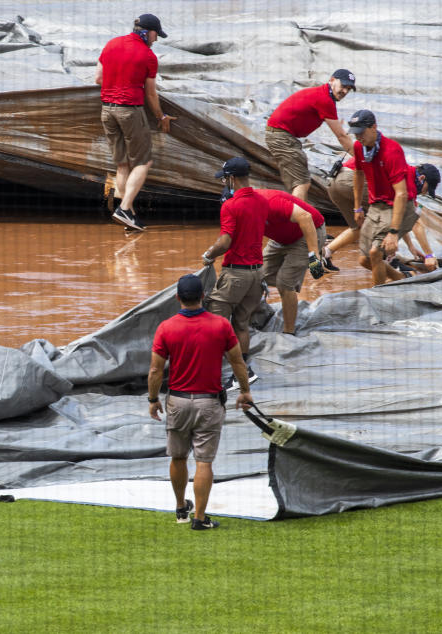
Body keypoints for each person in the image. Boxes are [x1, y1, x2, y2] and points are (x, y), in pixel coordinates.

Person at [148, 274, 254, 531]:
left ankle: (180, 508)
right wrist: (245, 391)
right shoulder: (221, 326)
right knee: (204, 462)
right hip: (209, 403)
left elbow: (155, 371)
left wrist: (153, 400)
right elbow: (238, 362)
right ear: (203, 297)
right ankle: (200, 518)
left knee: (178, 457)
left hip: (178, 402)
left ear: (177, 298)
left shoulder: (166, 327)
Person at [96, 13, 176, 232]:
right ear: (148, 32)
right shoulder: (148, 56)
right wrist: (161, 117)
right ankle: (124, 208)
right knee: (143, 162)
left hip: (107, 111)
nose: (156, 39)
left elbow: (98, 79)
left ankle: (129, 215)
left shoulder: (111, 44)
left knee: (122, 164)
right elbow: (151, 94)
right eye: (155, 35)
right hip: (129, 111)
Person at [201, 157, 267, 389]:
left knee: (213, 323)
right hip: (258, 274)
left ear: (231, 178)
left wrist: (209, 254)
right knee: (241, 324)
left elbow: (226, 241)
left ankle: (219, 374)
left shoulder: (230, 206)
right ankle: (243, 372)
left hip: (235, 275)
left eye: (225, 178)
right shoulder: (261, 201)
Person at [322, 160, 440, 273]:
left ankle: (325, 253)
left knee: (359, 227)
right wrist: (429, 255)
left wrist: (411, 247)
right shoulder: (407, 179)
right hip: (351, 179)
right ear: (422, 178)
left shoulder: (405, 171)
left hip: (334, 180)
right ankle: (390, 259)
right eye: (427, 189)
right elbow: (415, 224)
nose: (424, 193)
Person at [347, 110, 421, 285]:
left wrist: (394, 233)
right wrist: (357, 207)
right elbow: (358, 174)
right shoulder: (359, 147)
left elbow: (401, 194)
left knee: (375, 253)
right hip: (376, 206)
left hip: (398, 205)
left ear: (374, 127)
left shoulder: (392, 150)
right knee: (364, 260)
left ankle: (379, 297)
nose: (358, 137)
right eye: (355, 133)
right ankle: (403, 280)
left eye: (361, 132)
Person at [265, 69, 357, 202]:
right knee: (301, 183)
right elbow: (341, 136)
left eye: (348, 89)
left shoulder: (322, 94)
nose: (345, 91)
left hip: (284, 136)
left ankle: (296, 216)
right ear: (331, 80)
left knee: (300, 182)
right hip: (282, 136)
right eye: (343, 86)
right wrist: (361, 159)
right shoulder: (325, 99)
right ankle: (298, 220)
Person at [255, 189, 326, 335]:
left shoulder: (270, 202)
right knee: (256, 275)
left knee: (284, 283)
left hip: (308, 231)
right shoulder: (240, 212)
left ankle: (289, 332)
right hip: (281, 237)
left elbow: (306, 217)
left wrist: (313, 255)